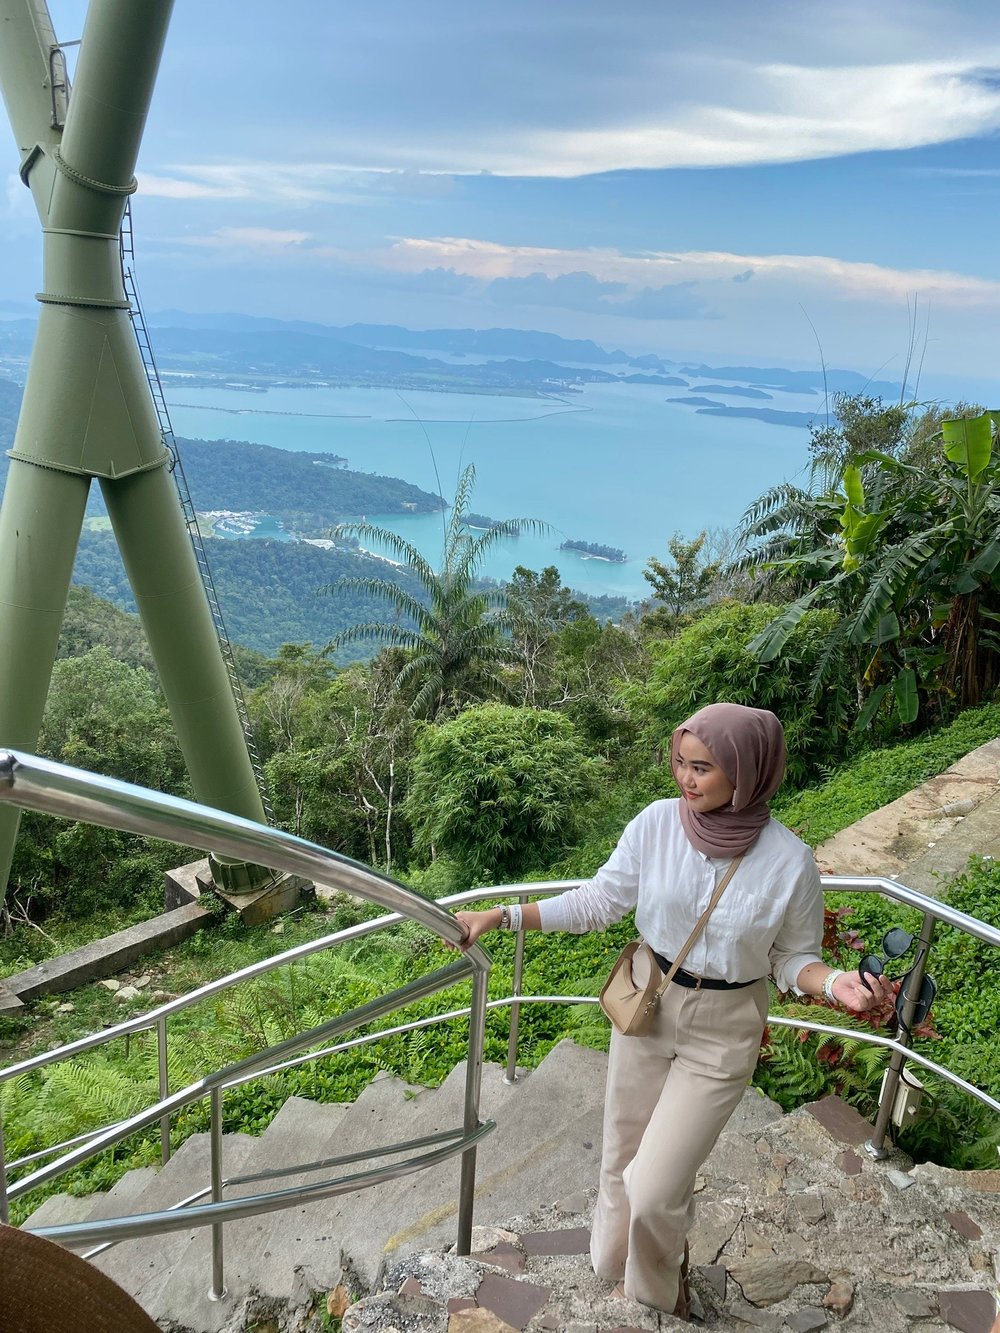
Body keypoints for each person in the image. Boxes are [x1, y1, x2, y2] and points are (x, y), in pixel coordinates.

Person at [453, 702, 894, 1320]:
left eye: (704, 769)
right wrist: (500, 916)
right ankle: (612, 1270)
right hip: (648, 1005)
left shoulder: (788, 861)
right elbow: (598, 902)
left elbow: (793, 958)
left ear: (749, 772)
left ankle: (657, 1300)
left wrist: (835, 983)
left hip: (724, 1027)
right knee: (620, 1157)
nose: (687, 780)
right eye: (681, 764)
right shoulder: (657, 825)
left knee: (655, 1187)